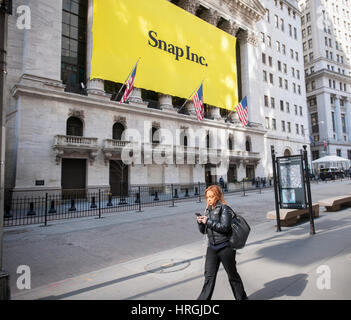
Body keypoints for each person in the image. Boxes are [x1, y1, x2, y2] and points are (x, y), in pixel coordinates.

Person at [196, 185, 248, 300]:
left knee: (233, 276)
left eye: (211, 196)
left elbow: (224, 227)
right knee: (208, 278)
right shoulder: (208, 210)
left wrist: (208, 221)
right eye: (207, 197)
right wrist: (200, 223)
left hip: (225, 248)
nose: (209, 199)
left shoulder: (225, 208)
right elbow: (204, 231)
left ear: (217, 196)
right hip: (212, 248)